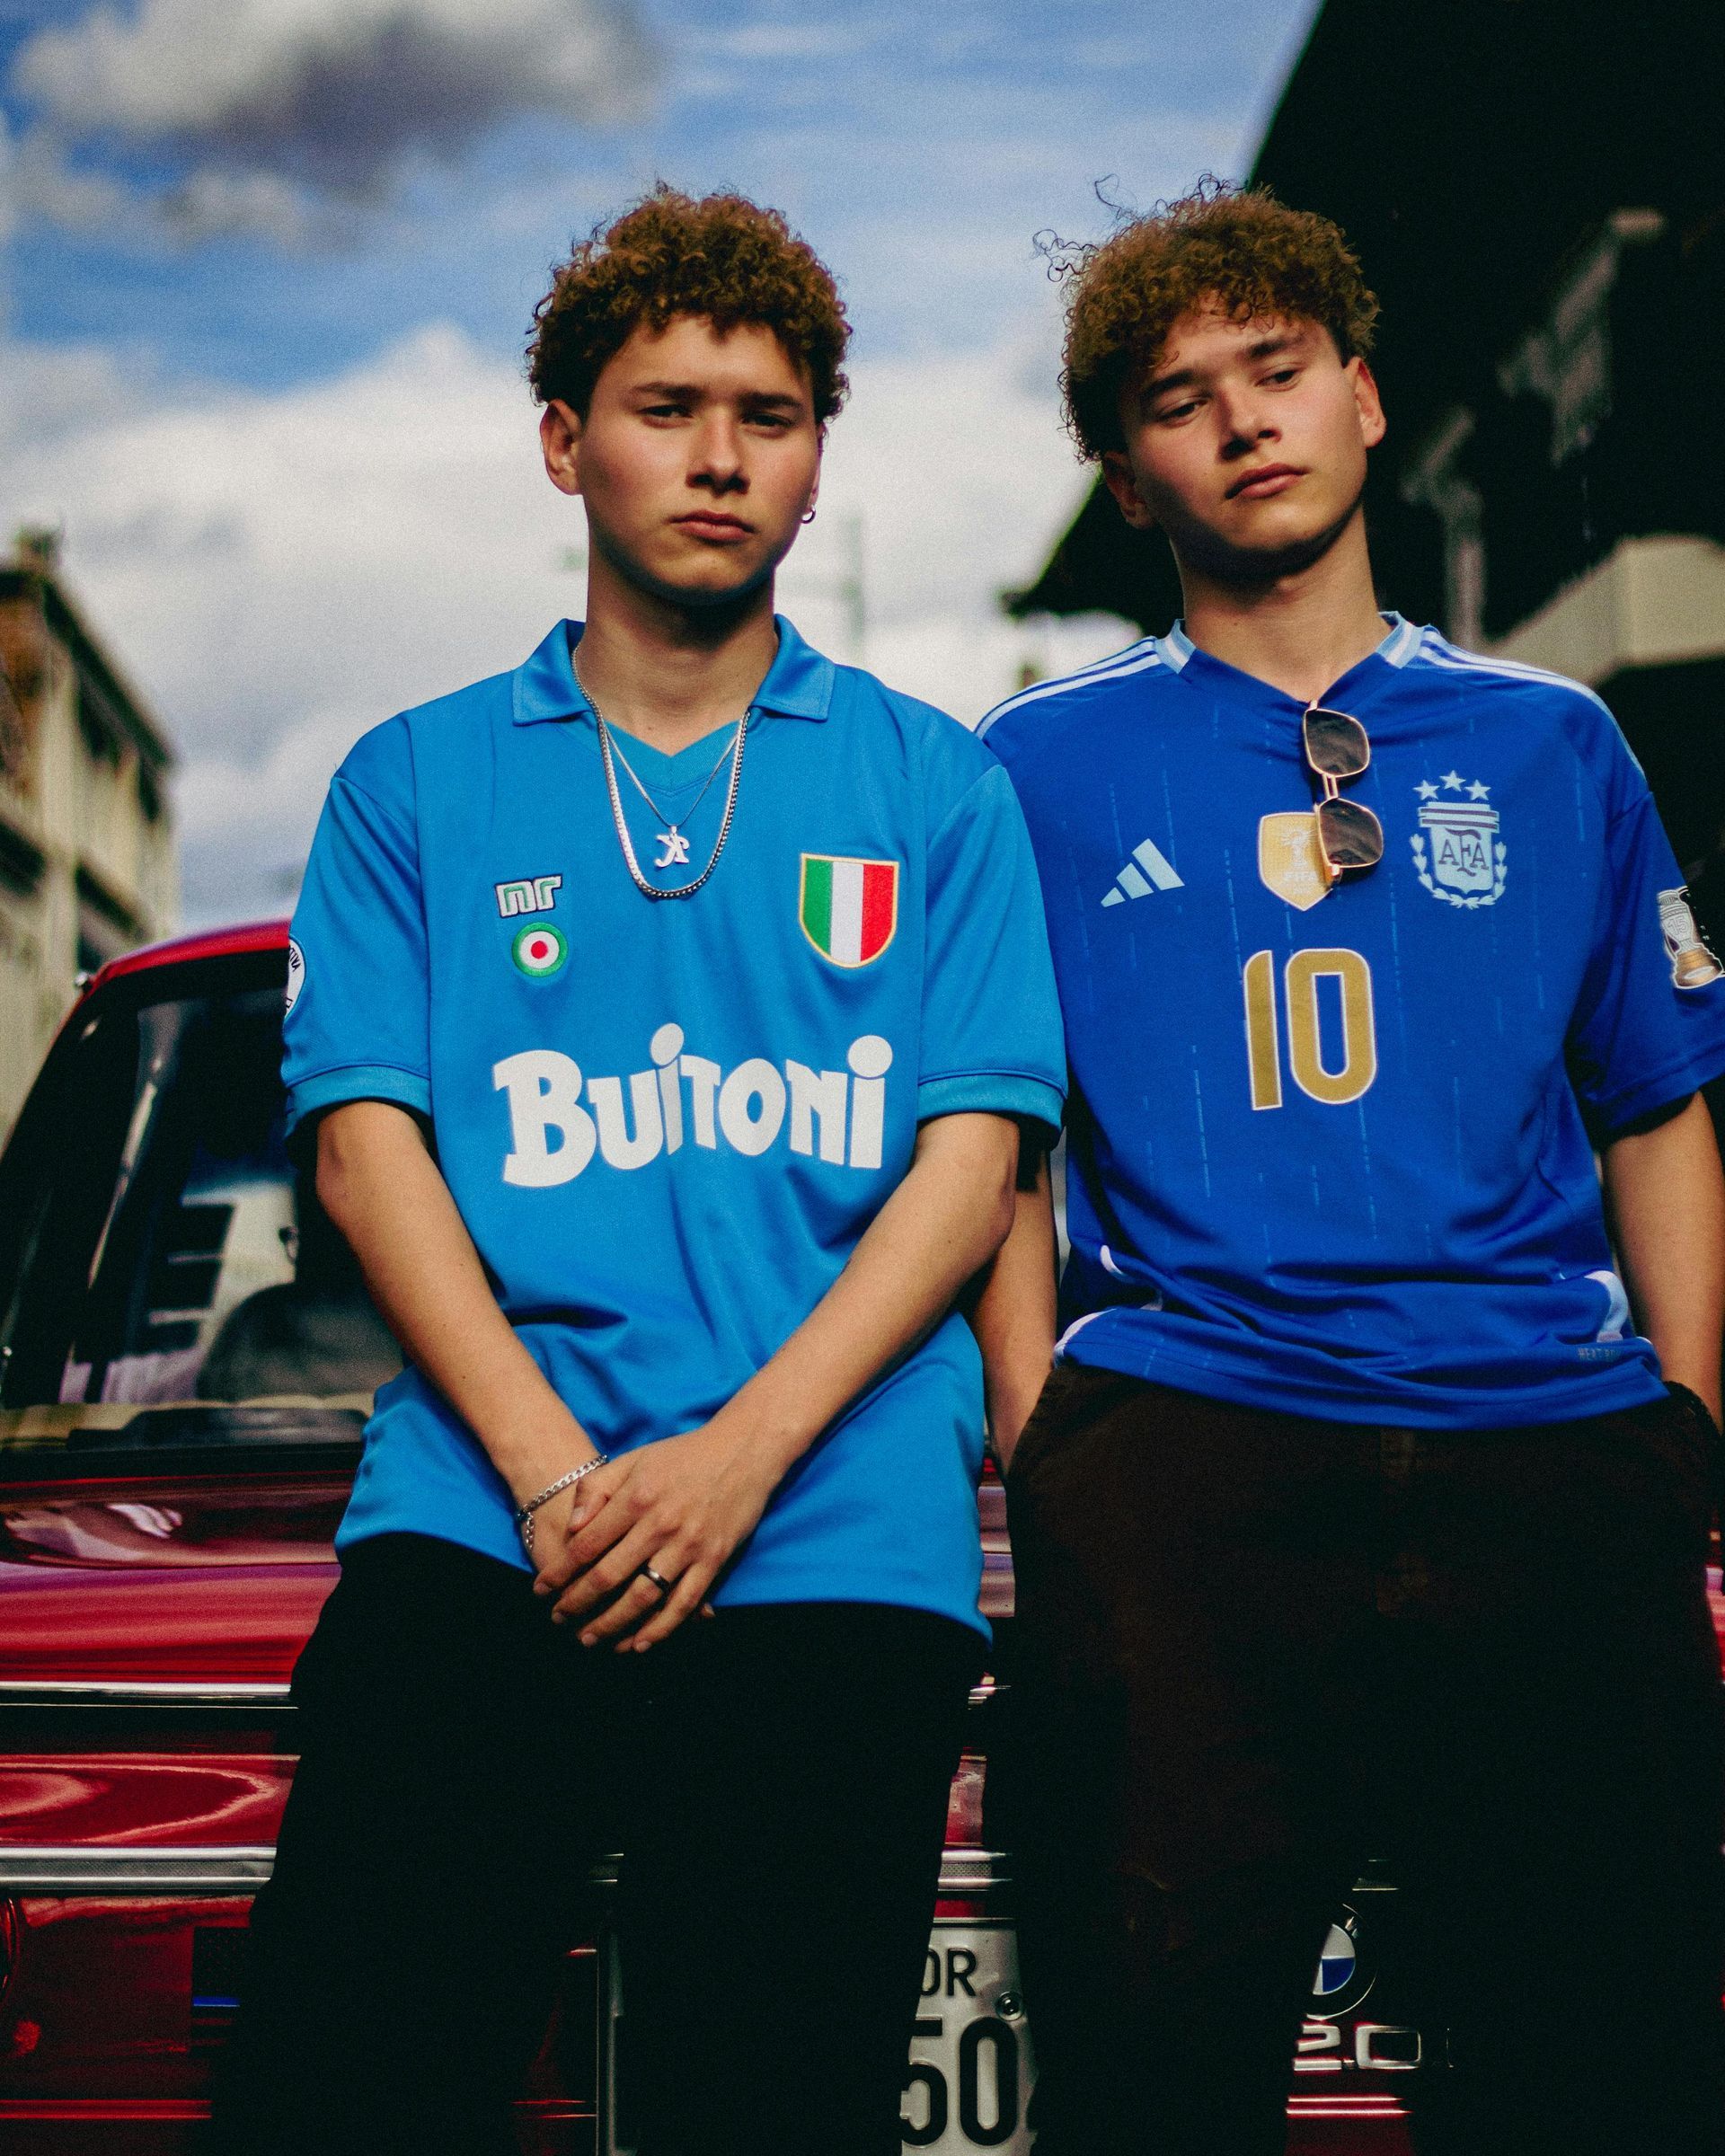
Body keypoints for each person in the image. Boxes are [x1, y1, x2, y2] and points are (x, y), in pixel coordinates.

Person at [210, 185, 1064, 2156]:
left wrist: (736, 1464)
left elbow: (975, 1168)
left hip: (836, 1529)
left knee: (764, 2108)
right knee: (345, 2088)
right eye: (665, 408)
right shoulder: (415, 777)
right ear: (563, 443)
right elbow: (366, 1152)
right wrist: (558, 1480)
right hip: (485, 1520)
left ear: (817, 459)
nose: (718, 456)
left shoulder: (935, 782)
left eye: (768, 416)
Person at [976, 181, 1725, 2156]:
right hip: (1195, 1449)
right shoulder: (1036, 767)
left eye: (1280, 368)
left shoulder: (1556, 742)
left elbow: (1657, 1103)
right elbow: (999, 1148)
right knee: (1155, 2078)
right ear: (1126, 477)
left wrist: (1684, 1426)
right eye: (1179, 399)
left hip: (1548, 1454)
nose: (1244, 419)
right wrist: (1049, 1442)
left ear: (1366, 397)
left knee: (1610, 2068)